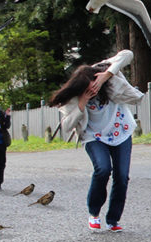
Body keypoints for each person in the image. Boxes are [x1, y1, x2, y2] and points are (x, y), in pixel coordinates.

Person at [49, 50, 144, 232]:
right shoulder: (75, 96)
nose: (93, 89)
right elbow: (67, 126)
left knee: (122, 177)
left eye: (94, 85)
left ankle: (113, 220)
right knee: (102, 169)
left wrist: (105, 76)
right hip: (94, 136)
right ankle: (94, 213)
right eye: (88, 88)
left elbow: (128, 54)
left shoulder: (103, 74)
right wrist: (82, 102)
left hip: (121, 131)